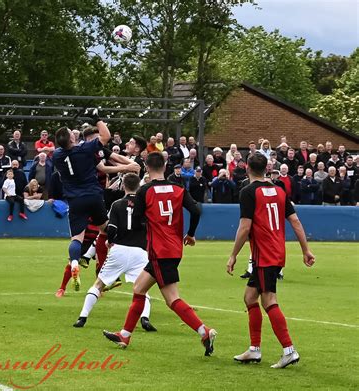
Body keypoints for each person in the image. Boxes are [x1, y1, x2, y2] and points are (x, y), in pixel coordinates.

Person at [103, 152, 217, 356]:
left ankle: (204, 331)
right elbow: (197, 211)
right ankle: (125, 334)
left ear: (146, 167)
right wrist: (190, 234)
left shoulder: (144, 191)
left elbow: (138, 221)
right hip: (172, 248)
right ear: (164, 167)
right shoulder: (179, 188)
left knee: (172, 299)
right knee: (138, 288)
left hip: (159, 250)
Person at [227, 153, 315, 369]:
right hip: (275, 253)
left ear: (247, 167)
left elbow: (245, 227)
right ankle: (254, 350)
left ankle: (289, 350)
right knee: (249, 297)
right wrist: (306, 250)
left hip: (264, 255)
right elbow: (295, 221)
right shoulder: (280, 190)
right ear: (267, 168)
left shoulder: (248, 192)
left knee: (268, 300)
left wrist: (233, 254)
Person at [73, 173, 156, 331]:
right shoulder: (145, 205)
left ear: (123, 186)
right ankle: (145, 318)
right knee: (142, 288)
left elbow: (111, 228)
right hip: (140, 252)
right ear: (138, 186)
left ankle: (82, 317)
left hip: (119, 249)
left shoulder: (117, 204)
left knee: (99, 284)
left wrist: (109, 241)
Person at [53, 108, 111, 291]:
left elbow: (62, 147)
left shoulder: (57, 156)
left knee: (77, 238)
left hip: (75, 200)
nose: (74, 133)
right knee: (106, 232)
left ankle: (76, 262)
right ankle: (109, 268)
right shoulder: (84, 149)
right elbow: (106, 136)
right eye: (72, 133)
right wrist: (97, 118)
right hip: (93, 195)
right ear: (71, 139)